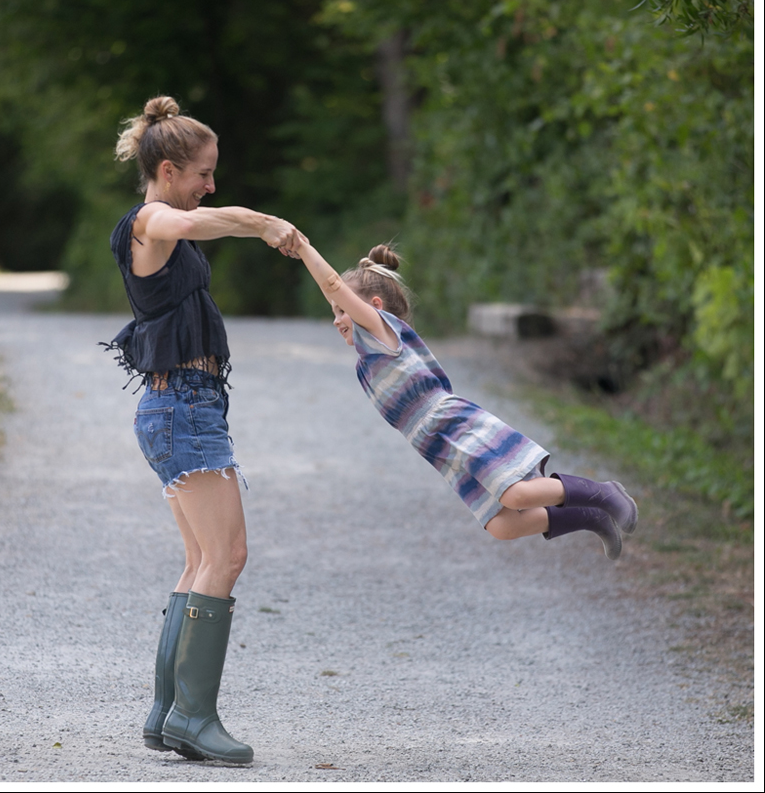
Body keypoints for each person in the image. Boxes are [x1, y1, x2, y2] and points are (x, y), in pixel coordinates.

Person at [102, 95, 303, 765]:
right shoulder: (152, 220)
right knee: (229, 556)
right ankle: (194, 715)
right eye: (202, 173)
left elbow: (205, 215)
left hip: (183, 407)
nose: (210, 185)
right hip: (181, 409)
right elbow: (211, 220)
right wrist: (266, 223)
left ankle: (167, 714)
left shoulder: (162, 221)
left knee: (201, 560)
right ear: (165, 171)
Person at [292, 239, 638, 558]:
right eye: (333, 312)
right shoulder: (365, 361)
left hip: (449, 422)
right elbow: (335, 293)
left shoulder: (381, 331)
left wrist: (303, 247)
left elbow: (333, 285)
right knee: (501, 526)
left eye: (341, 310)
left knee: (516, 494)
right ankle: (591, 516)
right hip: (435, 446)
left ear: (375, 307)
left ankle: (604, 492)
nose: (336, 319)